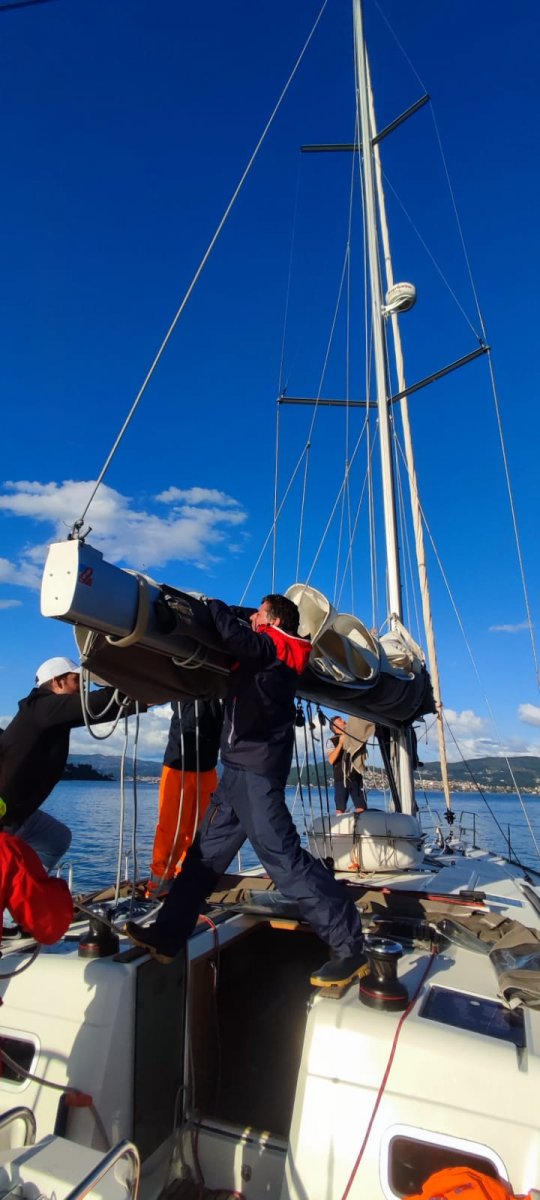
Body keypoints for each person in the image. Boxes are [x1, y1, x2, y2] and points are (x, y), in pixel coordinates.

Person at [126, 594, 367, 988]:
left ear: (271, 619)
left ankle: (348, 946)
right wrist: (241, 616)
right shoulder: (271, 645)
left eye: (258, 612)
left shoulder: (278, 647)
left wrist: (214, 605)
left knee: (284, 862)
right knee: (202, 858)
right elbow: (247, 633)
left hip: (255, 775)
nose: (252, 617)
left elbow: (235, 637)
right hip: (236, 773)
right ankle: (167, 936)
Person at [0, 656, 137, 872]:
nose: (82, 689)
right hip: (5, 817)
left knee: (56, 838)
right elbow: (100, 704)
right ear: (57, 682)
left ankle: (25, 895)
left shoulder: (45, 714)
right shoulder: (41, 707)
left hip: (20, 813)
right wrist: (145, 688)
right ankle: (15, 895)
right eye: (77, 682)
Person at [146, 697, 223, 897]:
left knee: (203, 829)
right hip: (178, 764)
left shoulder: (221, 686)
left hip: (208, 767)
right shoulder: (185, 680)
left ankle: (190, 876)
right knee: (172, 828)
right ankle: (160, 883)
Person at [0, 743, 73, 943]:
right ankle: (15, 914)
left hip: (15, 807)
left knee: (56, 837)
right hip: (8, 813)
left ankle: (15, 911)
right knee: (6, 853)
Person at [327, 715, 368, 813]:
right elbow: (331, 760)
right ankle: (341, 827)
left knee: (361, 807)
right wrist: (340, 744)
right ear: (335, 727)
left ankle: (358, 826)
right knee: (340, 809)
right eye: (340, 720)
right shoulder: (331, 741)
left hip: (356, 777)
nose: (344, 721)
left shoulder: (354, 736)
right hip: (341, 779)